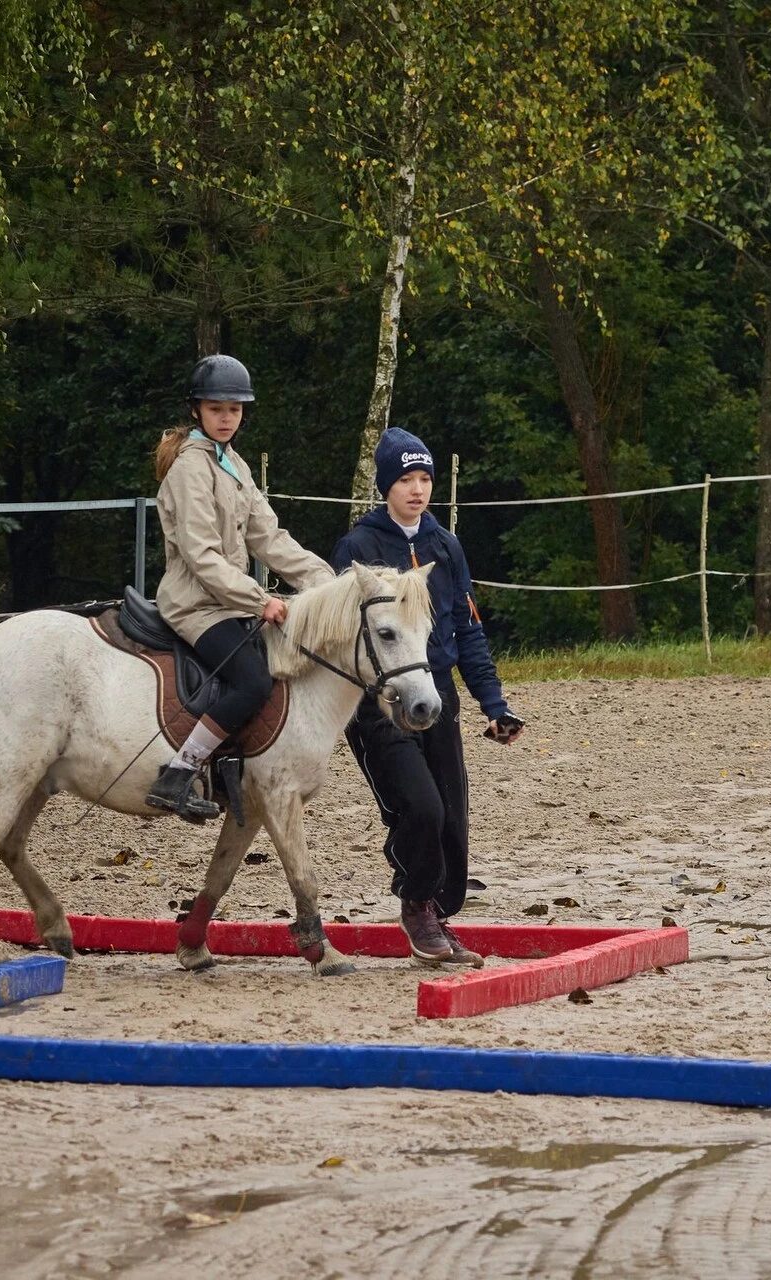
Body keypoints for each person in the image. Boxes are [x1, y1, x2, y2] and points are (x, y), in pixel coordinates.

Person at [332, 427, 524, 965]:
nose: (417, 489)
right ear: (386, 486)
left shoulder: (445, 545)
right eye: (405, 479)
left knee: (452, 821)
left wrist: (494, 705)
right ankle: (415, 905)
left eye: (424, 479)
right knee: (419, 807)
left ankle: (438, 915)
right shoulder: (359, 547)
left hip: (436, 692)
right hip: (379, 699)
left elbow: (468, 632)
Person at [145, 354, 334, 822]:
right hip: (196, 605)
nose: (226, 418)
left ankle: (233, 765)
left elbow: (268, 537)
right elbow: (202, 557)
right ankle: (179, 772)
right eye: (216, 409)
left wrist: (325, 582)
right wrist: (261, 599)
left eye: (234, 409)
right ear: (196, 411)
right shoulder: (190, 469)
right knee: (252, 680)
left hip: (228, 602)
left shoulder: (233, 464)